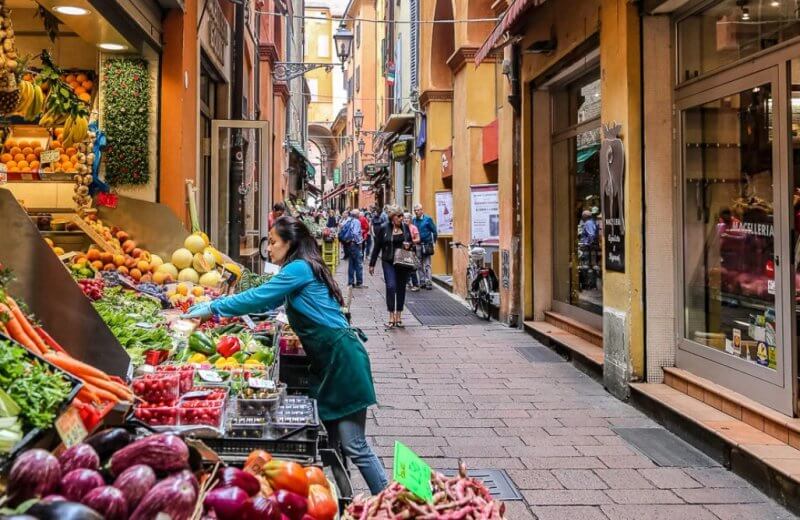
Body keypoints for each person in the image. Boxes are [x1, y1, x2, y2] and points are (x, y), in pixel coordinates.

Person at [182, 217, 388, 494]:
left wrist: (214, 307)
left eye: (273, 242)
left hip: (343, 360)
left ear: (290, 242)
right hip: (330, 360)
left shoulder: (299, 268)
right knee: (333, 443)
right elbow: (266, 302)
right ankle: (344, 498)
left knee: (354, 444)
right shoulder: (302, 267)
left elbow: (259, 297)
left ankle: (389, 500)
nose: (268, 248)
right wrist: (224, 309)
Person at [369, 206, 415, 328]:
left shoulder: (405, 227)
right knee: (390, 286)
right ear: (392, 217)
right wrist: (372, 263)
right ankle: (391, 315)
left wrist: (409, 245)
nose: (401, 218)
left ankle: (398, 315)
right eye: (399, 216)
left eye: (402, 216)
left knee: (401, 288)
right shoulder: (384, 228)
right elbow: (377, 246)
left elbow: (412, 243)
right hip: (388, 261)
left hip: (402, 262)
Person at [412, 204, 438, 290]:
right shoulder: (414, 220)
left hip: (427, 244)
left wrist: (434, 242)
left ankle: (428, 282)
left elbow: (434, 231)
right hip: (418, 245)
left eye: (418, 210)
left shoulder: (428, 219)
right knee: (419, 264)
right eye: (415, 210)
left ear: (422, 210)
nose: (416, 212)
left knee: (427, 264)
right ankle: (422, 281)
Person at [340, 209, 365, 287]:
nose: (360, 215)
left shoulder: (350, 220)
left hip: (350, 244)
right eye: (359, 213)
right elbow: (355, 233)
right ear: (357, 215)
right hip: (355, 244)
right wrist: (359, 242)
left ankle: (350, 282)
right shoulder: (357, 221)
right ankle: (359, 282)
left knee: (351, 263)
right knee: (358, 263)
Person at [404, 212, 422, 292]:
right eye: (404, 218)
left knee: (412, 267)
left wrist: (410, 242)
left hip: (411, 249)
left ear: (410, 219)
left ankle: (415, 285)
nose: (406, 220)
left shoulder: (413, 227)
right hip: (403, 249)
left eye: (407, 218)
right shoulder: (402, 227)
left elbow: (418, 239)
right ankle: (407, 283)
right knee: (404, 267)